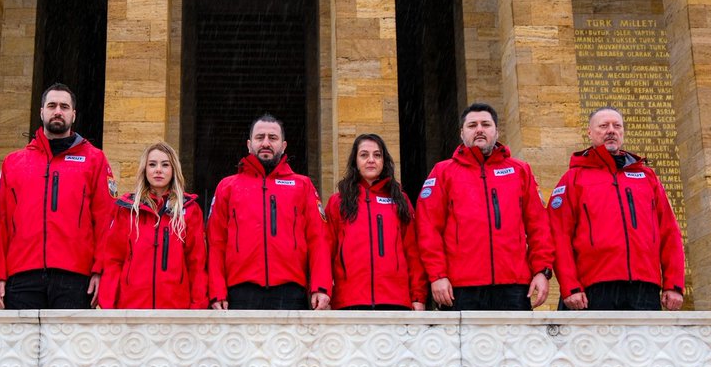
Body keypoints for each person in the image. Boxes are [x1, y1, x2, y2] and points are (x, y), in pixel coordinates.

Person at [416, 103, 554, 310]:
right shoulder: (443, 172)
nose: (479, 129)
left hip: (514, 285)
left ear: (496, 131)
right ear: (462, 133)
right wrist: (437, 276)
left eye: (485, 124)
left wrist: (541, 271)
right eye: (472, 125)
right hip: (460, 287)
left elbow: (539, 226)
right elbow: (428, 229)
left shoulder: (520, 171)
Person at [0, 83, 117, 309]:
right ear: (41, 112)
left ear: (73, 114)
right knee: (23, 344)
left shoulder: (94, 159)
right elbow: (1, 221)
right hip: (22, 275)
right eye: (52, 105)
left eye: (64, 106)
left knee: (71, 345)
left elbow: (106, 219)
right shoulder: (14, 162)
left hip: (76, 276)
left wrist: (101, 269)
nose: (58, 111)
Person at [549, 106, 685, 311]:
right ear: (590, 132)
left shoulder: (647, 178)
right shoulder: (573, 179)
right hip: (593, 288)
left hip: (644, 287)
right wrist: (570, 286)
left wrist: (674, 284)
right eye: (603, 126)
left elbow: (669, 232)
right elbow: (558, 235)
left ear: (622, 132)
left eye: (616, 126)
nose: (610, 130)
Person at [207, 114, 332, 310]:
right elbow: (215, 242)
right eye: (260, 137)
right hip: (240, 292)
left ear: (283, 145)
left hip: (291, 292)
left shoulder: (302, 185)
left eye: (272, 138)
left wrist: (320, 286)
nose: (266, 143)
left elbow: (319, 239)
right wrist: (216, 291)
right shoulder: (227, 187)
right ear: (249, 144)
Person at [99, 142, 208, 309]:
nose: (158, 169)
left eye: (165, 165)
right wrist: (107, 305)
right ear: (145, 169)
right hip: (132, 307)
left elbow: (197, 263)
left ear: (173, 170)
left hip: (176, 308)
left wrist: (198, 306)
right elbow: (113, 259)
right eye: (152, 164)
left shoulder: (189, 210)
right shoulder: (126, 209)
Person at [326, 134, 427, 310]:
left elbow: (413, 252)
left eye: (377, 155)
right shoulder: (338, 202)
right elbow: (326, 251)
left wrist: (418, 296)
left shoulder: (400, 200)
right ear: (355, 162)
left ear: (384, 161)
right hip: (350, 301)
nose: (371, 160)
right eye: (364, 155)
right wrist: (324, 292)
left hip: (395, 300)